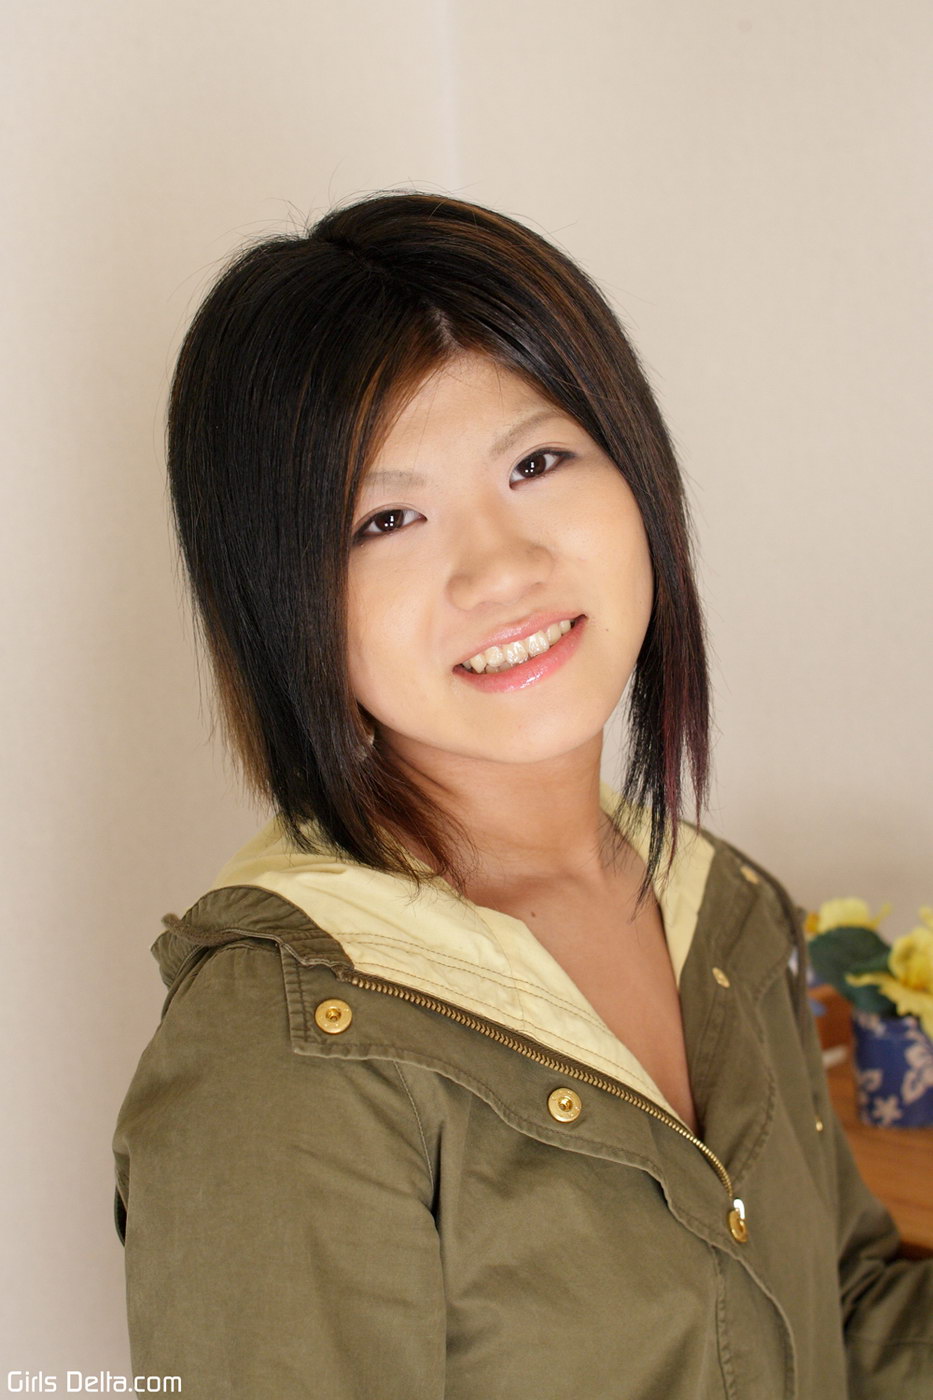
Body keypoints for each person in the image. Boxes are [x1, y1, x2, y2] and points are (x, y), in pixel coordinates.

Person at [112, 192, 933, 1399]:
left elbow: (844, 1315)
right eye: (387, 518)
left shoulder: (723, 908)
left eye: (536, 463)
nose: (501, 566)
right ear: (282, 599)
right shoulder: (276, 1050)